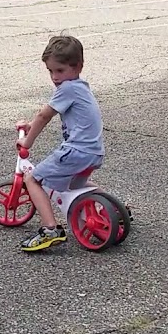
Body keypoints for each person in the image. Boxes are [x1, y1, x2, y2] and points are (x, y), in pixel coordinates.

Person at [15, 35, 105, 252]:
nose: (55, 77)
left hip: (76, 151)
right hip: (94, 152)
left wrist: (27, 141)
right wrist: (30, 125)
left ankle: (50, 229)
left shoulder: (68, 88)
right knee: (77, 186)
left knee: (32, 179)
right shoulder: (81, 87)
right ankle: (112, 209)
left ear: (78, 67)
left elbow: (44, 115)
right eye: (50, 71)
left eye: (60, 70)